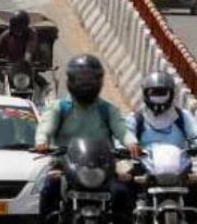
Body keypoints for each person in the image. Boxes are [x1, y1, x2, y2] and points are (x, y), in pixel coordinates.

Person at [35, 54, 139, 224]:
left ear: (98, 81)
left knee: (122, 191)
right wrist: (42, 140)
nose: (85, 84)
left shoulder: (107, 109)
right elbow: (45, 127)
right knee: (49, 188)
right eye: (81, 79)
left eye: (90, 79)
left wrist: (131, 143)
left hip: (103, 167)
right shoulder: (59, 108)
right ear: (71, 80)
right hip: (65, 165)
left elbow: (122, 130)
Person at [127, 71, 197, 224]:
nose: (158, 97)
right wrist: (127, 147)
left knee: (195, 194)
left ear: (171, 94)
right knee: (120, 191)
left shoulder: (183, 117)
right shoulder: (136, 119)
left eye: (162, 92)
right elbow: (125, 137)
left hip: (179, 169)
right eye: (154, 92)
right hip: (145, 168)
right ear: (145, 94)